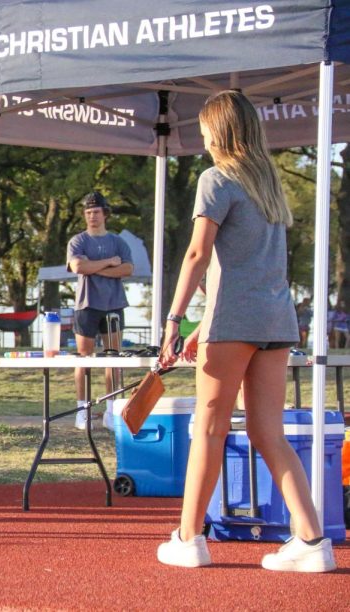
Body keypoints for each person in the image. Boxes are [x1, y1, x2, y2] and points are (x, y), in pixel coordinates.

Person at [156, 90, 336, 572]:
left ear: (217, 132)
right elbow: (247, 265)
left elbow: (197, 255)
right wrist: (202, 327)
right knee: (268, 432)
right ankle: (312, 540)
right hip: (275, 321)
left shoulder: (215, 180)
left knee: (209, 430)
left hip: (234, 320)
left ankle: (189, 537)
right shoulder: (267, 184)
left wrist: (174, 321)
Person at [66, 191, 133, 430]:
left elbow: (126, 269)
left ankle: (111, 409)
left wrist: (93, 268)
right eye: (88, 213)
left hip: (114, 303)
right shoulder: (78, 241)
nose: (92, 216)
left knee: (112, 357)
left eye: (96, 212)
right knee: (84, 357)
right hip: (86, 304)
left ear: (105, 214)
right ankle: (82, 410)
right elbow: (78, 266)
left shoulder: (118, 242)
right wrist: (106, 263)